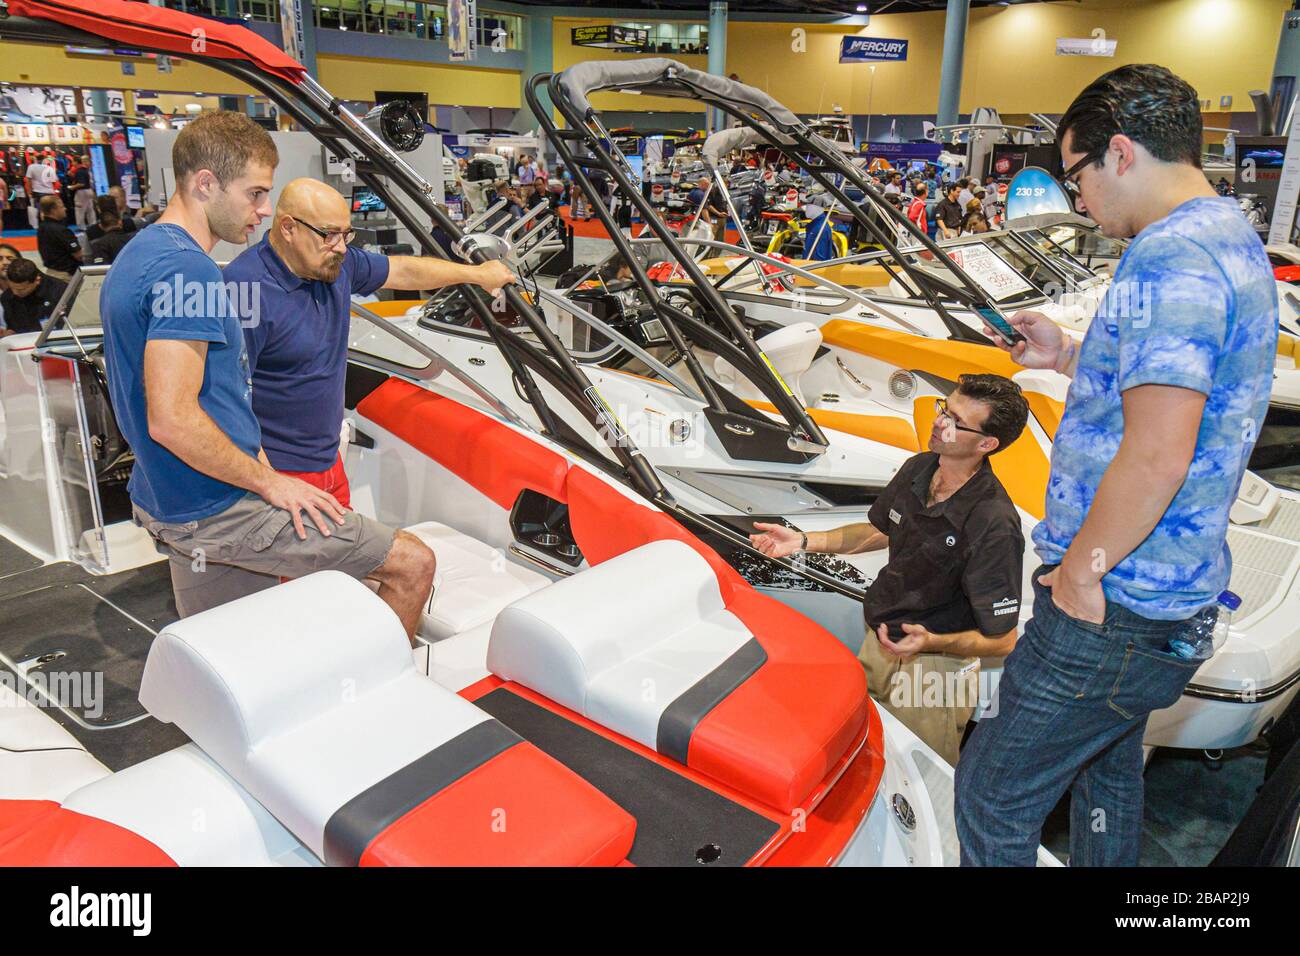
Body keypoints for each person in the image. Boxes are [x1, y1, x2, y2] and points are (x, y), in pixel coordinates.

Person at [954, 64, 1279, 867]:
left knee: (991, 794)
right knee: (1107, 772)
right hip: (1167, 593)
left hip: (1116, 604)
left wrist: (1080, 575)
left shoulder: (1171, 259)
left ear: (1122, 155)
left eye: (1076, 177)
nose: (1077, 201)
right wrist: (1065, 353)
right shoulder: (1228, 236)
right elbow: (1176, 397)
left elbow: (1159, 450)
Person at [99, 111, 436, 639]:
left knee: (230, 640)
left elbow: (210, 398)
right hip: (218, 504)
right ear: (206, 183)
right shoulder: (192, 271)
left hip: (171, 497)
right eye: (255, 194)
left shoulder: (140, 255)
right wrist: (270, 482)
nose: (262, 210)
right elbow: (172, 418)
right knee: (412, 564)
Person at [750, 375, 1029, 764]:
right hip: (878, 640)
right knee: (861, 752)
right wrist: (803, 541)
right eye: (943, 409)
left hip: (934, 673)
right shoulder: (919, 467)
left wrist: (930, 642)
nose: (938, 422)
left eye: (955, 420)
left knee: (918, 772)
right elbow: (880, 529)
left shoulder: (993, 522)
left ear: (986, 444)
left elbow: (1004, 640)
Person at [224, 177, 514, 512]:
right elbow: (225, 401)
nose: (342, 247)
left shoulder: (334, 264)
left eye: (346, 235)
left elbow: (403, 272)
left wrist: (476, 275)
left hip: (329, 462)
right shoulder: (245, 289)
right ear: (288, 228)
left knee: (340, 561)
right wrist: (269, 482)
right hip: (280, 475)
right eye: (329, 235)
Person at [0, 257, 67, 336]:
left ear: (37, 280)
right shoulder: (7, 297)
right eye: (12, 288)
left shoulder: (60, 291)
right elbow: (14, 329)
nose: (15, 293)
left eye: (22, 289)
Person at [36, 195, 81, 281]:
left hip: (51, 273)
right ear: (53, 210)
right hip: (65, 276)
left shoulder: (41, 228)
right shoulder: (61, 231)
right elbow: (78, 254)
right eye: (62, 206)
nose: (65, 209)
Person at [24, 156, 58, 231]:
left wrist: (29, 192)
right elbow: (54, 181)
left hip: (38, 192)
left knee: (42, 211)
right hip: (50, 192)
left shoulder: (31, 167)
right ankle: (51, 226)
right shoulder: (49, 168)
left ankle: (45, 227)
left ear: (36, 159)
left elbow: (28, 180)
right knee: (50, 210)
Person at [68, 155, 96, 230]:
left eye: (73, 161)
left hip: (82, 192)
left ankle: (81, 227)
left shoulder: (79, 171)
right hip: (88, 190)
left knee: (79, 209)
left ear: (76, 162)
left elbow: (81, 183)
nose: (72, 163)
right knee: (90, 209)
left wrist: (72, 187)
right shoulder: (85, 170)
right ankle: (93, 225)